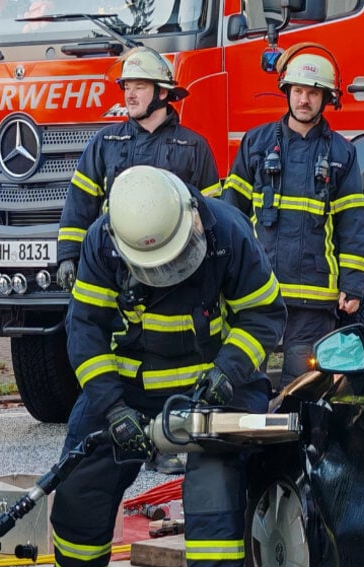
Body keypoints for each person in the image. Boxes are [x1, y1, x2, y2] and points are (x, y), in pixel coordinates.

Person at [17, 165, 286, 567]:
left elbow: (263, 315)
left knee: (214, 491)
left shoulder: (228, 232)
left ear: (192, 217)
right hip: (131, 390)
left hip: (216, 388)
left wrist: (227, 374)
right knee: (83, 480)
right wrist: (112, 410)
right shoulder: (103, 242)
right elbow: (85, 332)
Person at [56, 46, 220, 475]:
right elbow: (79, 204)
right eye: (126, 86)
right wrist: (69, 256)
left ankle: (167, 435)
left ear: (163, 93)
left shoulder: (193, 147)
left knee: (171, 354)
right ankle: (119, 428)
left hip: (176, 274)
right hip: (117, 271)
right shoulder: (106, 143)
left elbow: (214, 217)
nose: (130, 94)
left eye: (139, 86)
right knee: (114, 348)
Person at [221, 47, 364, 389]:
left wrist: (352, 284)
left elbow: (353, 224)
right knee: (244, 385)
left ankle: (296, 445)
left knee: (301, 390)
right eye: (298, 91)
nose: (304, 100)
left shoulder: (342, 154)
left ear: (326, 98)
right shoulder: (255, 145)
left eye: (313, 93)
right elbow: (231, 213)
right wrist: (224, 274)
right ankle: (249, 445)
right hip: (258, 292)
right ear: (286, 92)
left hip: (313, 300)